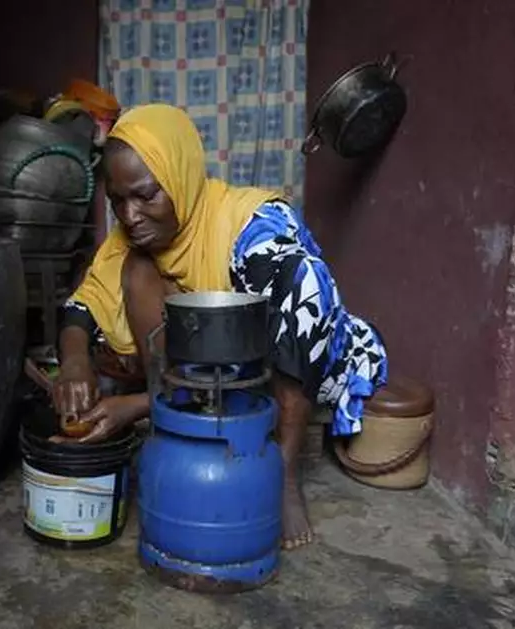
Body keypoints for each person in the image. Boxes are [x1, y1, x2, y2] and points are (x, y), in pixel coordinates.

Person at [51, 103, 388, 549]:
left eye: (147, 195)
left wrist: (132, 406)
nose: (129, 216)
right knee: (134, 270)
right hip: (196, 375)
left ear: (180, 178)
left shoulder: (247, 222)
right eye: (118, 200)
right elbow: (82, 307)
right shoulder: (128, 242)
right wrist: (74, 364)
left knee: (301, 283)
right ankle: (170, 412)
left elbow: (306, 299)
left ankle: (283, 469)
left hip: (280, 368)